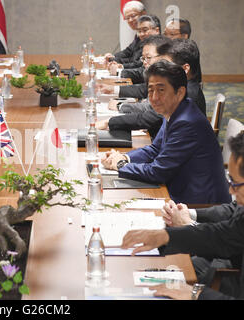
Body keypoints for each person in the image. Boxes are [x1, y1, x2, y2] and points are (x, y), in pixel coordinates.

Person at [121, 131, 244, 300]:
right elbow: (224, 235)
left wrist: (196, 294)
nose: (231, 190)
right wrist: (164, 236)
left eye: (236, 184)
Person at [102, 60, 230, 205]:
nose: (154, 97)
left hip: (198, 205)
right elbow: (155, 149)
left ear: (180, 92)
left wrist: (121, 165)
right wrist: (125, 157)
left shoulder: (187, 122)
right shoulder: (175, 110)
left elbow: (157, 172)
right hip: (180, 191)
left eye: (161, 90)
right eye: (151, 90)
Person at [98, 38, 206, 139]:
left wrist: (109, 122)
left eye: (168, 64)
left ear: (185, 68)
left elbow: (152, 118)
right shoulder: (180, 86)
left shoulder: (186, 94)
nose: (163, 67)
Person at [104, 1, 146, 67]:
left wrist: (122, 66)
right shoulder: (138, 35)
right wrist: (112, 58)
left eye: (133, 16)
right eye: (127, 18)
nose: (130, 20)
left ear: (143, 13)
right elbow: (127, 52)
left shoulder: (147, 34)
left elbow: (139, 64)